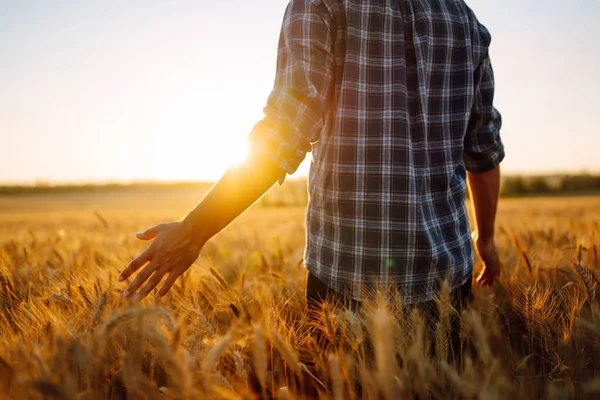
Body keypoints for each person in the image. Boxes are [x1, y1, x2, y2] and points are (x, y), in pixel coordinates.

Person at [118, 0, 503, 338]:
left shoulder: (320, 4)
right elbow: (483, 151)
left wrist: (194, 230)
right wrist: (485, 238)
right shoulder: (465, 21)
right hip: (449, 277)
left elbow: (288, 129)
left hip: (347, 280)